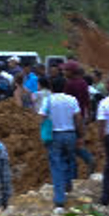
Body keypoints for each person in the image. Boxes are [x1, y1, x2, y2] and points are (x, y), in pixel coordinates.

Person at [38, 76, 83, 208]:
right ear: (64, 87)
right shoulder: (72, 99)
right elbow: (78, 118)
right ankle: (68, 182)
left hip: (55, 134)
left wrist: (43, 131)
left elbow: (42, 116)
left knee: (56, 165)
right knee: (70, 159)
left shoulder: (48, 100)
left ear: (51, 87)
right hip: (70, 133)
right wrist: (80, 135)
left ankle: (59, 198)